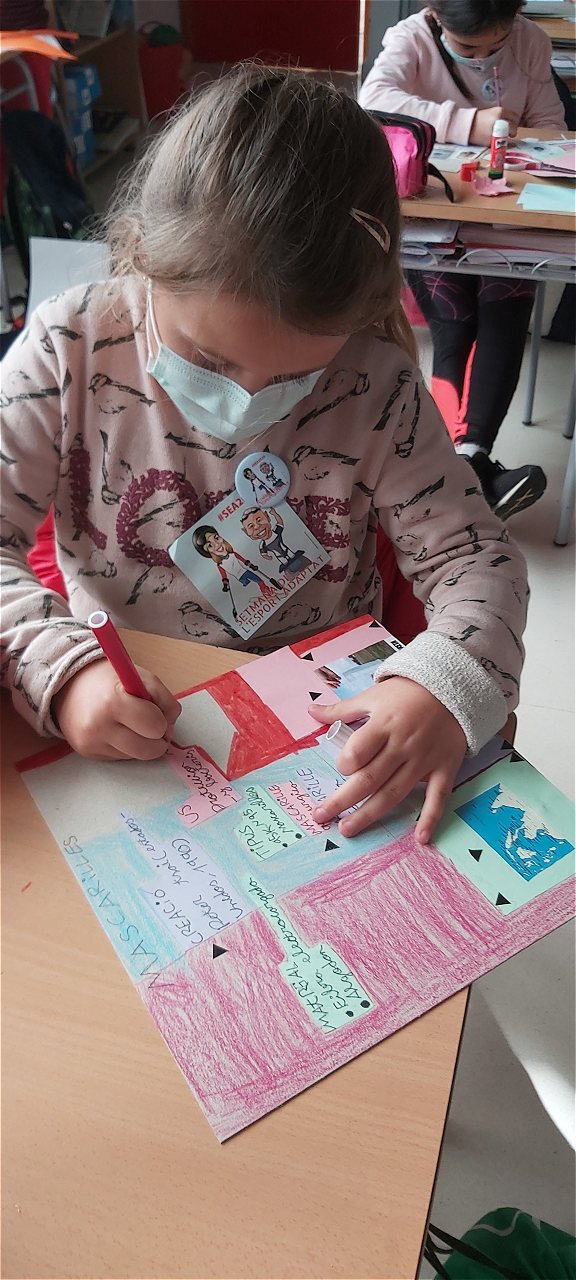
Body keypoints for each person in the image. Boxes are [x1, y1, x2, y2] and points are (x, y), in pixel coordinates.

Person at [1, 64, 528, 845]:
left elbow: (478, 558)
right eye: (208, 360)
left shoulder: (377, 384)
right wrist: (63, 670)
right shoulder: (69, 345)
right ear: (144, 252)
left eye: (294, 377)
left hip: (317, 715)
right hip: (127, 698)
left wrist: (442, 687)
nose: (245, 402)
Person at [360, 0, 565, 518]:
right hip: (436, 215)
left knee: (505, 311)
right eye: (469, 47)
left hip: (506, 213)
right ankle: (468, 472)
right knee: (455, 321)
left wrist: (527, 144)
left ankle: (465, 464)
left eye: (498, 42)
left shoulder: (531, 42)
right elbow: (372, 99)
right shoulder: (411, 38)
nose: (484, 56)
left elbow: (552, 127)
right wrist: (471, 124)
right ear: (435, 14)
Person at [192, 526, 279, 618]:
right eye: (210, 545)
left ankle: (267, 592)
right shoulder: (220, 564)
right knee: (251, 588)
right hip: (241, 577)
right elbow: (224, 576)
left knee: (260, 581)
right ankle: (258, 601)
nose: (217, 545)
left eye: (216, 538)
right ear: (208, 552)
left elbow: (243, 560)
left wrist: (250, 565)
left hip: (245, 571)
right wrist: (225, 584)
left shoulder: (232, 554)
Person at [240, 507, 311, 576]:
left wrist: (275, 514)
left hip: (290, 553)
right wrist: (267, 557)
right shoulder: (263, 544)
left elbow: (280, 522)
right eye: (251, 526)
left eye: (259, 520)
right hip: (282, 559)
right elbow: (263, 553)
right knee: (290, 569)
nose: (257, 527)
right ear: (246, 532)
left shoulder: (276, 532)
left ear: (267, 517)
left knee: (298, 561)